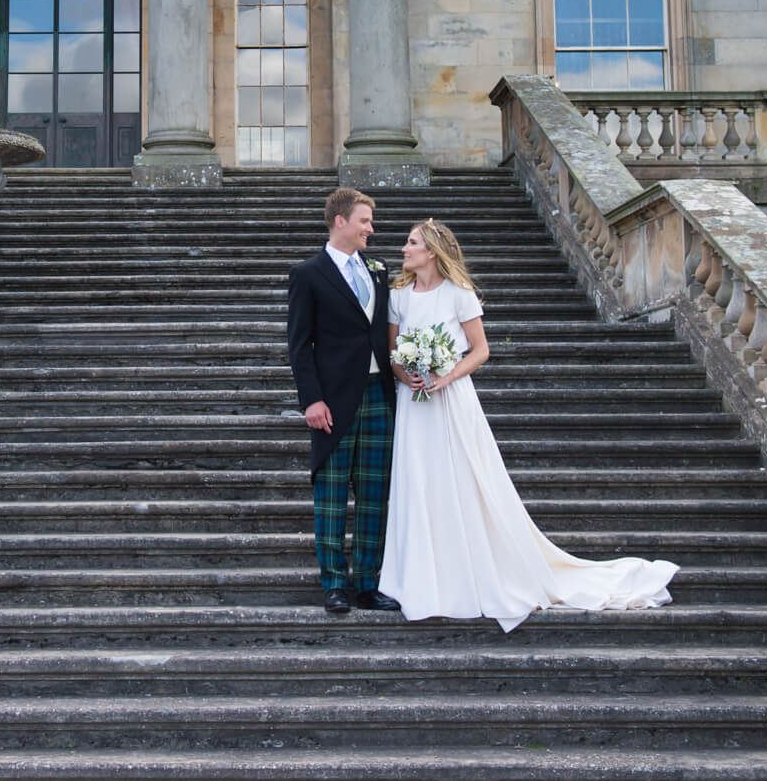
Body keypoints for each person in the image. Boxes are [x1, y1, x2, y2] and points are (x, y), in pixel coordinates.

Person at [379, 217, 677, 631]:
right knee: (417, 482)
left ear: (432, 251)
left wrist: (445, 377)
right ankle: (420, 576)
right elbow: (392, 352)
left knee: (462, 481)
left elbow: (480, 351)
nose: (404, 249)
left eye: (411, 243)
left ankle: (467, 572)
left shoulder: (458, 294)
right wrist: (405, 374)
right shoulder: (399, 297)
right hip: (414, 403)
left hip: (451, 401)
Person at [285, 187, 401, 615]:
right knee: (331, 495)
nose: (371, 228)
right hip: (332, 402)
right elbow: (300, 345)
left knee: (375, 495)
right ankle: (335, 583)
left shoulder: (378, 269)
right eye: (365, 221)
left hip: (378, 397)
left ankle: (368, 584)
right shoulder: (308, 273)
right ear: (341, 222)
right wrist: (311, 400)